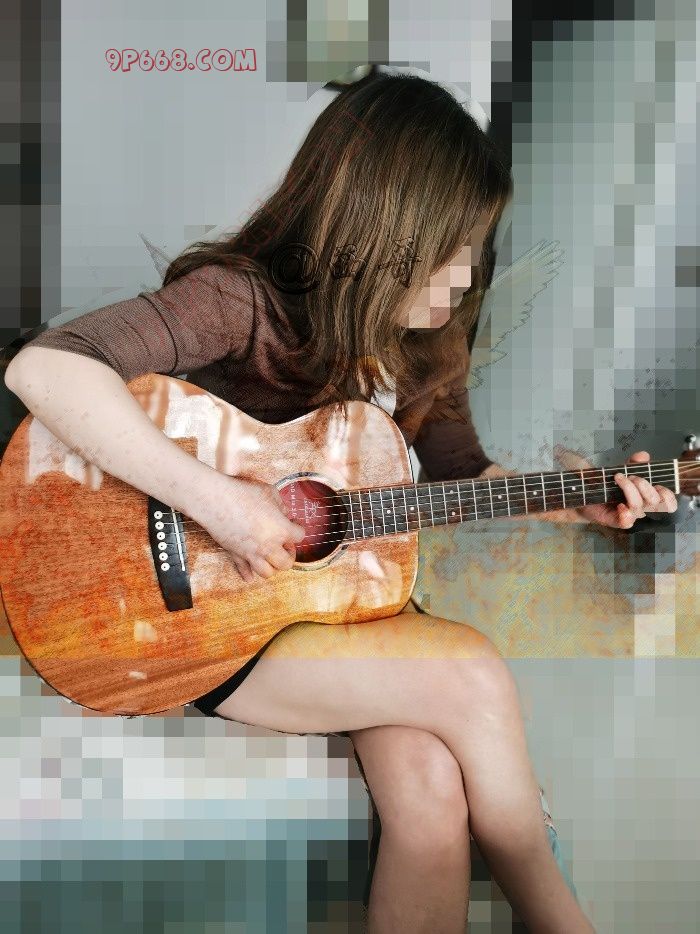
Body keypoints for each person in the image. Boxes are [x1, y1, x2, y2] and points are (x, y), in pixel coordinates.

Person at [6, 71, 673, 932]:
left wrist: (576, 499)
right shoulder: (242, 301)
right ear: (386, 231)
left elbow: (461, 476)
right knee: (471, 670)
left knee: (430, 790)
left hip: (339, 610)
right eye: (453, 247)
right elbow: (45, 367)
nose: (466, 273)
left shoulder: (427, 342)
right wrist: (219, 502)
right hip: (208, 619)